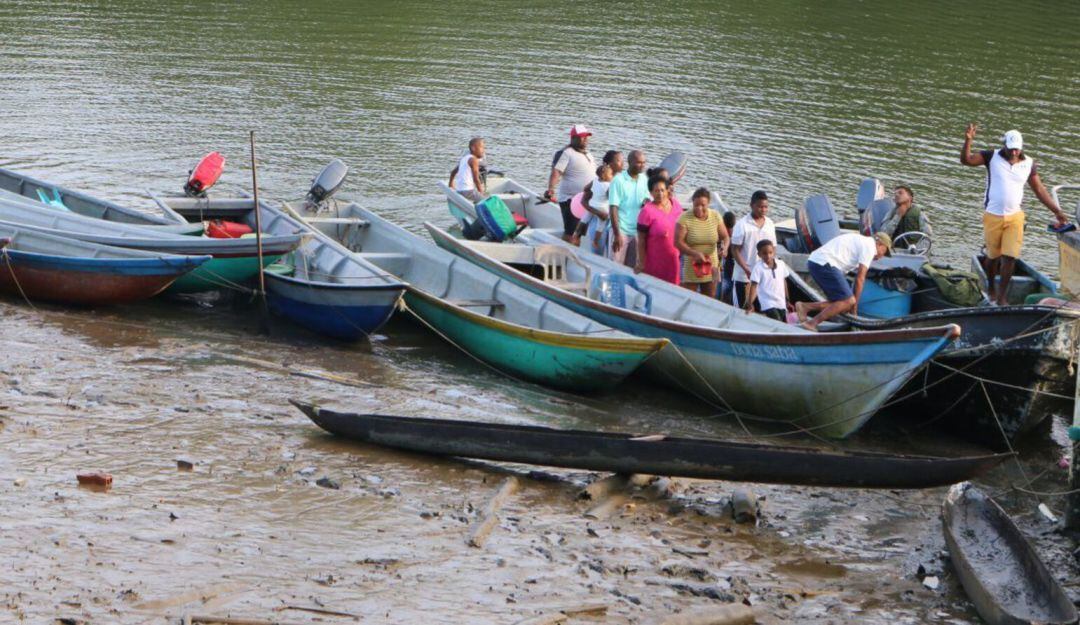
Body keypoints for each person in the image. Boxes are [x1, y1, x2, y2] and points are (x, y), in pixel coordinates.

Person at [960, 124, 1070, 305]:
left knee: (1010, 257)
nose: (1013, 153)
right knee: (992, 258)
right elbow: (967, 160)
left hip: (1015, 217)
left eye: (1017, 149)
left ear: (1021, 147)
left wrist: (1057, 211)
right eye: (1011, 149)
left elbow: (1040, 190)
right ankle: (991, 288)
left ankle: (1002, 296)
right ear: (1004, 145)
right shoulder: (991, 156)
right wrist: (968, 140)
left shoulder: (1029, 164)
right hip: (993, 215)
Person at [796, 232, 892, 331]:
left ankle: (805, 307)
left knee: (843, 304)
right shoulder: (870, 247)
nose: (881, 257)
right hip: (824, 263)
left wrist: (851, 303)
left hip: (818, 263)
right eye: (883, 252)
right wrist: (854, 306)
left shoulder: (863, 242)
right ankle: (812, 323)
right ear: (880, 244)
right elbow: (860, 278)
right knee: (848, 301)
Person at [545, 125, 596, 241]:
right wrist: (551, 190)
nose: (585, 139)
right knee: (571, 232)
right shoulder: (566, 153)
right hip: (570, 200)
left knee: (579, 232)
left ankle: (575, 255)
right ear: (573, 138)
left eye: (586, 137)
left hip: (585, 200)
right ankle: (565, 256)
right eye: (582, 137)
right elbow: (556, 172)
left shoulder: (588, 154)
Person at [675, 187, 728, 297]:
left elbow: (726, 237)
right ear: (692, 203)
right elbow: (677, 242)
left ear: (708, 203)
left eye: (703, 205)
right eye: (696, 205)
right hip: (692, 265)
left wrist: (725, 248)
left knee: (711, 298)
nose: (699, 208)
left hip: (712, 264)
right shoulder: (684, 218)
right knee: (688, 297)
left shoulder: (715, 216)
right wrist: (694, 253)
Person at [730, 191, 776, 308]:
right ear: (751, 205)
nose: (763, 210)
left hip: (762, 276)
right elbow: (735, 250)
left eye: (766, 207)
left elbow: (773, 247)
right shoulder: (742, 225)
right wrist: (746, 269)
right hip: (743, 277)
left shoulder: (770, 223)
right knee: (741, 309)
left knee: (760, 309)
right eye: (760, 207)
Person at [634, 175, 684, 284]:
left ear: (667, 191)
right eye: (656, 191)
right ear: (651, 193)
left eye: (662, 190)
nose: (660, 194)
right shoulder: (646, 211)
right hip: (654, 261)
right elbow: (641, 240)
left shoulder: (676, 205)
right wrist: (641, 262)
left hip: (673, 260)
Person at [571, 151, 623, 255]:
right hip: (598, 218)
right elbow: (584, 201)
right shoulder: (599, 181)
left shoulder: (621, 180)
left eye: (622, 160)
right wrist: (598, 213)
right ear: (609, 164)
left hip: (615, 223)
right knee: (597, 251)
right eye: (619, 160)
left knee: (613, 254)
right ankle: (577, 235)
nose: (622, 163)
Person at [608, 150, 649, 267]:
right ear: (630, 162)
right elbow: (613, 208)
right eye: (639, 163)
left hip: (637, 231)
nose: (642, 166)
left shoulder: (644, 179)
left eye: (644, 163)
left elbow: (647, 198)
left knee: (632, 267)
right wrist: (617, 235)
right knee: (615, 266)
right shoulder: (618, 180)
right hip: (621, 230)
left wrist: (647, 200)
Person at [744, 240, 791, 322]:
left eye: (770, 252)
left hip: (781, 302)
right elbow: (754, 286)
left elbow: (784, 282)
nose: (768, 256)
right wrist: (750, 303)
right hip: (768, 303)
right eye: (764, 253)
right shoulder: (758, 268)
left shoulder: (781, 264)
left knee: (784, 323)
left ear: (774, 252)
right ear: (759, 254)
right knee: (778, 322)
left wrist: (787, 300)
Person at [448, 137, 485, 202]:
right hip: (468, 191)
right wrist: (481, 193)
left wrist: (451, 184)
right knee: (486, 200)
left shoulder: (464, 159)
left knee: (477, 198)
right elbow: (476, 179)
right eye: (481, 147)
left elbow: (453, 172)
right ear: (473, 148)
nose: (483, 150)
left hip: (459, 190)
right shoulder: (474, 160)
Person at [719, 211, 737, 304]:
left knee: (726, 286)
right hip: (731, 265)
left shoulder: (723, 234)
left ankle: (723, 301)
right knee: (728, 286)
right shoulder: (736, 234)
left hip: (728, 265)